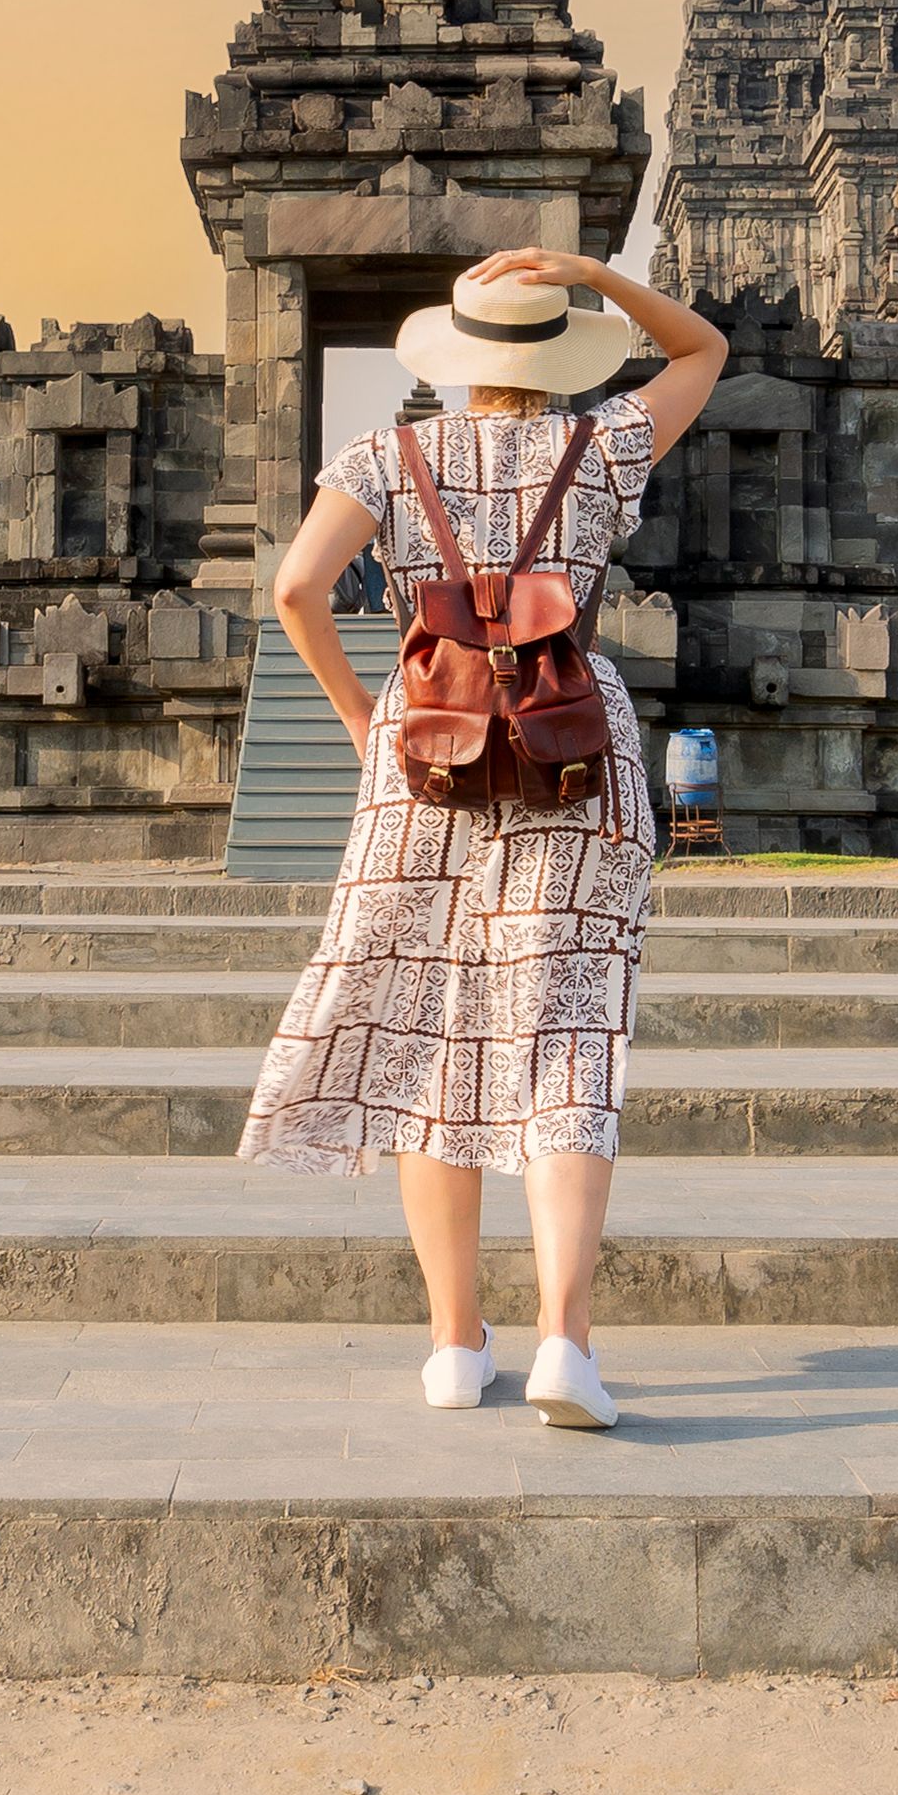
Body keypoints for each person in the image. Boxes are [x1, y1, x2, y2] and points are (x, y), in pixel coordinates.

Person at [235, 243, 727, 1429]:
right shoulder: (601, 443)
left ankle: (457, 1343)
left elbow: (297, 588)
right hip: (572, 750)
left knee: (429, 1035)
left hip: (427, 750)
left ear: (452, 361)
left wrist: (364, 714)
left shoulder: (389, 455)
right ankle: (565, 1340)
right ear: (560, 358)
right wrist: (598, 275)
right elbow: (706, 347)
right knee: (565, 1039)